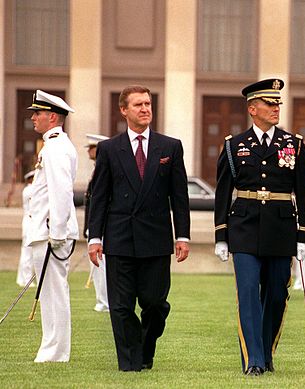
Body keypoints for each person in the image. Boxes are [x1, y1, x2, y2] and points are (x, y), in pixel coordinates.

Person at [87, 85, 190, 372]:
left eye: (148, 104)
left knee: (155, 304)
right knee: (120, 307)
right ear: (124, 110)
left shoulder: (170, 146)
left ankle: (145, 349)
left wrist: (182, 235)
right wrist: (94, 237)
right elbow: (99, 196)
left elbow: (179, 196)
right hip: (119, 237)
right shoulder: (109, 148)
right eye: (138, 105)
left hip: (156, 239)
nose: (145, 109)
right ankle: (130, 362)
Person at [213, 78, 305, 376]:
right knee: (247, 292)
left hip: (281, 229)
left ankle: (266, 351)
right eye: (270, 104)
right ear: (252, 109)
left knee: (277, 293)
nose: (276, 108)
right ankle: (253, 358)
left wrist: (303, 236)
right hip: (243, 227)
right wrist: (221, 235)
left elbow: (304, 191)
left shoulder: (294, 144)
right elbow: (222, 192)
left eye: (278, 103)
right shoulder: (234, 146)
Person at [23, 90, 78, 362]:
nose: (33, 118)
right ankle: (51, 349)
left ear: (52, 117)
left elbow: (61, 192)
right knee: (50, 293)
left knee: (54, 293)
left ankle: (55, 352)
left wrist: (57, 233)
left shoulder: (56, 147)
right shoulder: (53, 145)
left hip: (49, 234)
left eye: (38, 113)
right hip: (46, 232)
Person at [83, 133, 110, 312]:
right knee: (99, 269)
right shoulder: (96, 169)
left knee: (103, 268)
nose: (89, 151)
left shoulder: (104, 169)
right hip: (94, 227)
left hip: (103, 229)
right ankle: (102, 300)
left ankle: (105, 302)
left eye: (92, 148)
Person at [17, 170, 35, 287]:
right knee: (27, 252)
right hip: (30, 222)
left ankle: (22, 278)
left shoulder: (30, 189)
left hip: (30, 222)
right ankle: (27, 278)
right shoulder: (30, 190)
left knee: (27, 252)